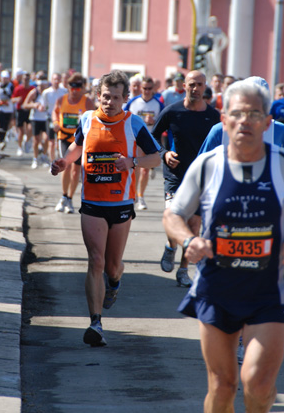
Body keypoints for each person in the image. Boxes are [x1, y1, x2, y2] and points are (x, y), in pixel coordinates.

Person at [162, 79, 284, 413]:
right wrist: (188, 240)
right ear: (224, 120)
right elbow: (173, 214)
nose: (245, 121)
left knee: (259, 386)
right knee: (222, 384)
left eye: (254, 114)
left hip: (267, 290)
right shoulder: (208, 165)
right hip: (218, 287)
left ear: (267, 121)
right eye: (237, 114)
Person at [51, 70, 161, 347]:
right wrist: (64, 162)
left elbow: (156, 158)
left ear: (125, 98)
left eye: (115, 97)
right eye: (104, 96)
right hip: (92, 204)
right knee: (96, 261)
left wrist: (132, 162)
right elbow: (77, 147)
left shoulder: (134, 123)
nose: (109, 102)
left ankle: (114, 282)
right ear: (98, 96)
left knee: (112, 267)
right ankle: (96, 323)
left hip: (121, 204)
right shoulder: (87, 119)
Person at [152, 71, 220, 287]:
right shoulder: (172, 111)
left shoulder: (214, 116)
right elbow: (152, 136)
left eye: (199, 84)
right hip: (175, 174)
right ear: (184, 86)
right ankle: (171, 245)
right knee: (174, 216)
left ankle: (183, 270)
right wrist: (164, 154)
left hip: (202, 178)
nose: (195, 88)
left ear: (204, 86)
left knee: (193, 226)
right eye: (191, 84)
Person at [199, 77, 284, 153]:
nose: (247, 119)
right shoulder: (219, 130)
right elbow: (200, 168)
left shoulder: (280, 130)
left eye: (256, 110)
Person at [52, 73, 94, 213]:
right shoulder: (61, 99)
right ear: (68, 86)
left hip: (79, 140)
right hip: (64, 137)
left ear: (83, 88)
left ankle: (69, 198)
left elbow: (93, 117)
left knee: (76, 171)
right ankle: (63, 196)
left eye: (78, 87)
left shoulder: (87, 102)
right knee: (65, 165)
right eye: (72, 86)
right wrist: (55, 122)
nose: (75, 90)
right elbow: (55, 112)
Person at [124, 76, 164, 210]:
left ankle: (141, 196)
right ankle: (133, 194)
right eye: (144, 88)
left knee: (145, 170)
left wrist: (154, 121)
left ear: (153, 89)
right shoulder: (133, 102)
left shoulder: (158, 104)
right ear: (141, 88)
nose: (147, 91)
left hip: (150, 139)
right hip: (134, 140)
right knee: (135, 168)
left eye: (149, 89)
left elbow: (163, 123)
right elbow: (124, 118)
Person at [22, 72, 51, 169]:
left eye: (44, 85)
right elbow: (25, 104)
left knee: (47, 138)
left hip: (46, 118)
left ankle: (44, 156)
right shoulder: (34, 92)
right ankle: (35, 158)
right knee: (36, 140)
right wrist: (35, 105)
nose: (42, 87)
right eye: (40, 85)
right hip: (35, 118)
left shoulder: (49, 92)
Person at [42, 72, 67, 162]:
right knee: (51, 142)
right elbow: (44, 106)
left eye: (58, 79)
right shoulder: (46, 92)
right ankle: (52, 162)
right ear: (51, 80)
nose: (56, 81)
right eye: (54, 79)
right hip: (50, 118)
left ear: (60, 80)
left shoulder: (64, 91)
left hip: (62, 119)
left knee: (61, 141)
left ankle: (61, 160)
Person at [11, 71, 33, 156]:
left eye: (27, 79)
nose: (26, 81)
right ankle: (19, 147)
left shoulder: (32, 89)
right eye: (24, 79)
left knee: (30, 129)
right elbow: (12, 99)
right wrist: (17, 99)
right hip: (20, 110)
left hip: (29, 110)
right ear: (22, 79)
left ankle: (27, 141)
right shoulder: (18, 88)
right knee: (20, 130)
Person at [0, 70, 14, 149]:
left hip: (8, 109)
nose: (4, 80)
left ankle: (4, 137)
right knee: (0, 123)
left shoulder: (10, 85)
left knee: (6, 125)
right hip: (0, 108)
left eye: (6, 78)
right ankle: (1, 139)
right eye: (3, 78)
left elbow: (10, 95)